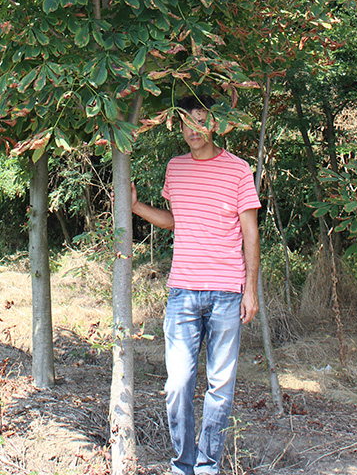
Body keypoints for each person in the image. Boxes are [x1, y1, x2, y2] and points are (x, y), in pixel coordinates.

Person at [131, 94, 261, 475]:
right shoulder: (175, 167)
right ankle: (182, 464)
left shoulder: (238, 170)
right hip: (183, 291)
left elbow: (250, 233)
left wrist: (249, 289)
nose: (192, 129)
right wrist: (137, 207)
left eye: (200, 121)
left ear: (215, 125)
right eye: (186, 122)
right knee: (178, 384)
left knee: (219, 387)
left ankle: (207, 467)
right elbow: (177, 219)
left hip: (226, 291)